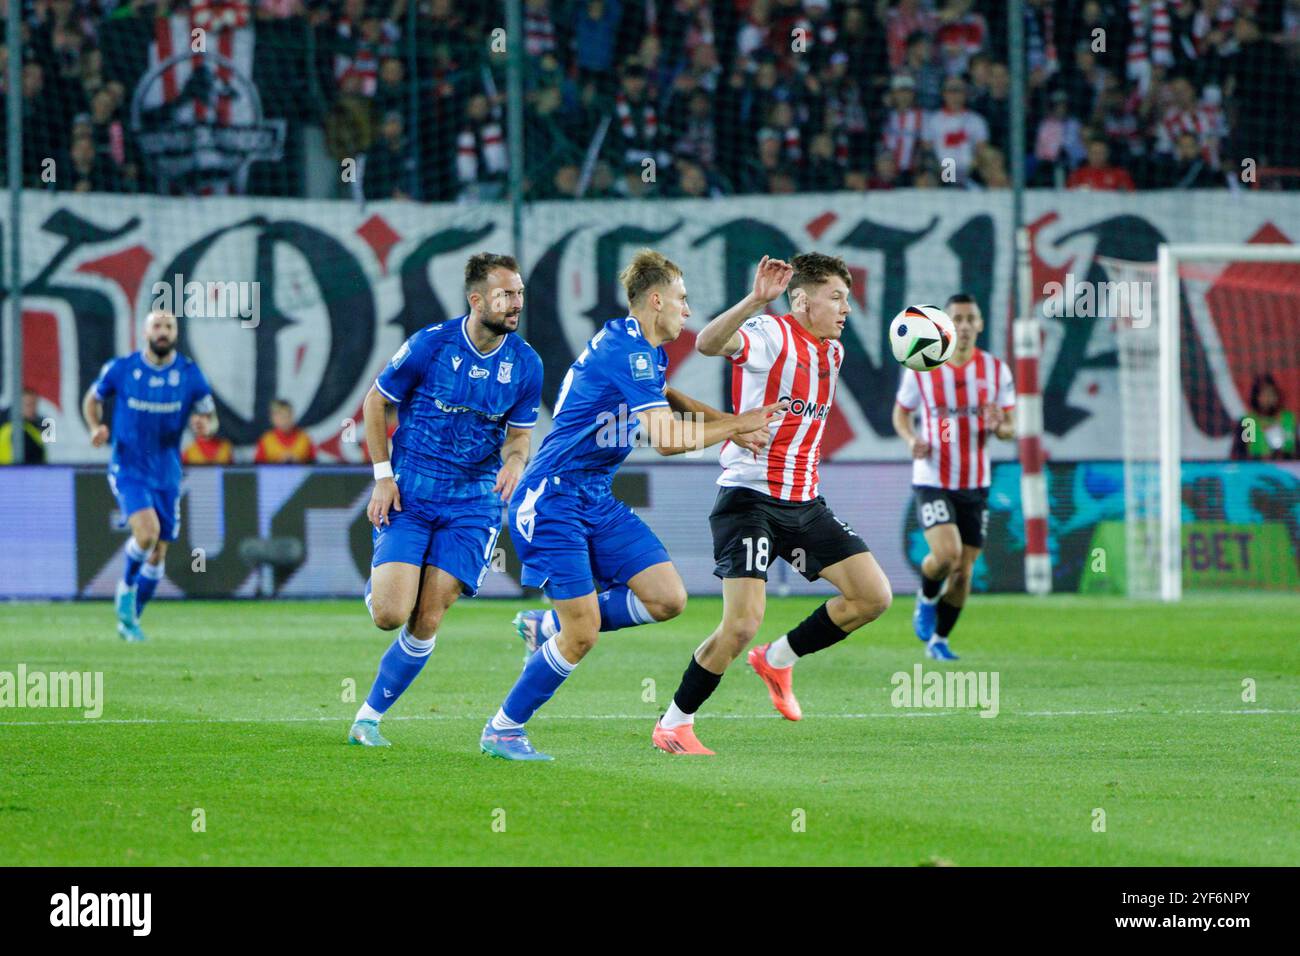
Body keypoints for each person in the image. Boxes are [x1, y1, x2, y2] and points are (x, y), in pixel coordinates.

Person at [482, 249, 779, 761]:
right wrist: (738, 424)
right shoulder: (629, 352)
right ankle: (504, 728)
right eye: (682, 300)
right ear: (657, 300)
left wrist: (733, 421)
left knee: (667, 598)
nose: (687, 312)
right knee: (583, 636)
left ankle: (544, 626)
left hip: (594, 496)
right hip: (554, 500)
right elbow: (664, 438)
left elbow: (668, 396)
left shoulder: (639, 348)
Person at [653, 253, 893, 755]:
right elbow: (708, 342)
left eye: (848, 299)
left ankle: (778, 658)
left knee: (872, 597)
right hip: (749, 501)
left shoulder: (833, 352)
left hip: (805, 504)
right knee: (740, 623)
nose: (846, 309)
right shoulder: (768, 334)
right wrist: (755, 299)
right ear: (801, 299)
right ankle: (674, 723)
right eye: (837, 297)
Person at [348, 253, 544, 747]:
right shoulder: (431, 345)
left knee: (428, 617)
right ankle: (383, 585)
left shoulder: (525, 364)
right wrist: (381, 476)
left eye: (519, 292)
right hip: (411, 494)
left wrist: (515, 463)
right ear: (476, 300)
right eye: (506, 294)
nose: (516, 302)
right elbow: (376, 401)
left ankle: (368, 718)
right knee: (390, 614)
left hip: (473, 505)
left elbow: (519, 437)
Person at [892, 294, 1015, 660]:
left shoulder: (996, 371)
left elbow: (1010, 426)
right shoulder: (922, 366)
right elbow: (901, 414)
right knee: (947, 555)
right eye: (956, 318)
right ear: (945, 326)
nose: (963, 325)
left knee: (963, 572)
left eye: (969, 319)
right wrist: (912, 439)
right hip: (933, 478)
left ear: (979, 324)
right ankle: (926, 597)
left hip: (975, 483)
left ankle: (939, 641)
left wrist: (1001, 427)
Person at [82, 310, 217, 641]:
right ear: (144, 333)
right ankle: (125, 590)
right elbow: (92, 398)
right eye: (156, 326)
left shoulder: (189, 374)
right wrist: (95, 426)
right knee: (147, 534)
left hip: (167, 473)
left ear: (175, 333)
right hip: (129, 467)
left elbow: (210, 417)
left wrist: (205, 427)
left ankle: (130, 622)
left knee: (158, 553)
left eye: (168, 326)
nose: (162, 332)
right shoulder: (123, 369)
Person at [1232, 374, 1297, 460]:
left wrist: (1284, 456)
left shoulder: (1289, 419)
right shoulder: (1249, 422)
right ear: (1256, 397)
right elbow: (1239, 454)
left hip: (1287, 470)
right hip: (1258, 470)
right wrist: (1261, 458)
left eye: (1271, 393)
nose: (1269, 398)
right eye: (1264, 395)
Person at [254, 399, 315, 463]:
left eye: (287, 416)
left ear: (292, 416)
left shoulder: (304, 438)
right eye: (280, 416)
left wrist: (298, 461)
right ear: (273, 419)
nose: (284, 421)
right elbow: (257, 467)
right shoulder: (266, 440)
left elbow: (314, 466)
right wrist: (277, 462)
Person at [0, 389, 48, 464]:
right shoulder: (16, 429)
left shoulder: (31, 427)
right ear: (18, 406)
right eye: (28, 405)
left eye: (35, 404)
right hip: (12, 472)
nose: (33, 408)